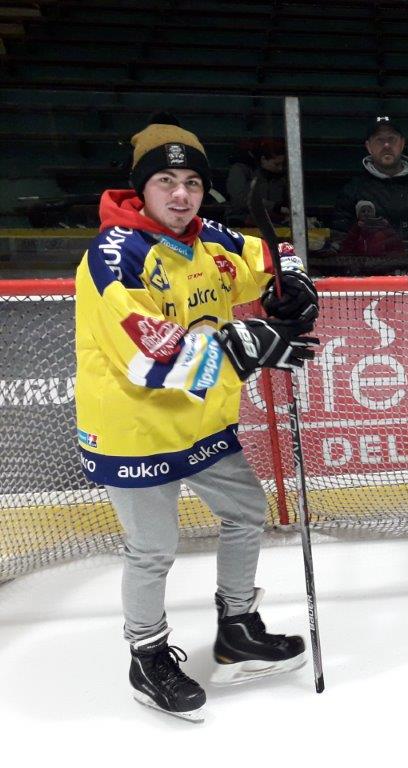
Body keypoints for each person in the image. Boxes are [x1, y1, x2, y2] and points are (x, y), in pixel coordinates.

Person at [74, 117, 320, 721]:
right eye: (166, 181)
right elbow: (146, 356)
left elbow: (273, 256)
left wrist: (293, 282)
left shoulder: (210, 238)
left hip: (201, 421)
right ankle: (147, 656)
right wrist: (244, 342)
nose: (181, 194)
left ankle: (236, 629)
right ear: (142, 188)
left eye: (191, 182)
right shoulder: (115, 256)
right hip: (134, 430)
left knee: (246, 511)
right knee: (153, 549)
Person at [322, 116, 408, 275]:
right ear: (368, 146)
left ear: (402, 143)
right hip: (370, 278)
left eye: (392, 139)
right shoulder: (353, 190)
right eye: (379, 140)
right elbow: (340, 243)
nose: (386, 145)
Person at [225, 137, 288, 227]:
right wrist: (275, 207)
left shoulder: (280, 179)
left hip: (271, 222)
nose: (280, 168)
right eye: (276, 164)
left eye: (282, 164)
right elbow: (239, 200)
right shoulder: (240, 171)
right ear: (263, 159)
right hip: (241, 221)